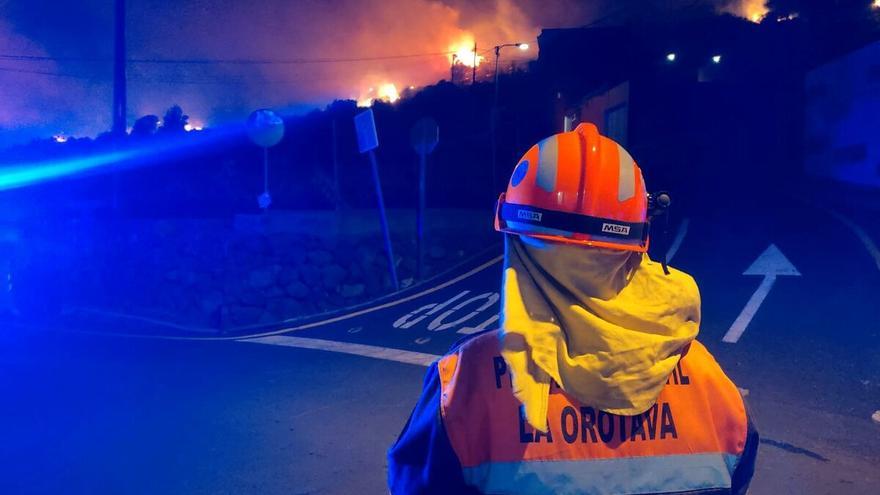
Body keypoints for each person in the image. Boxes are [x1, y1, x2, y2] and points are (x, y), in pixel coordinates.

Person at [387, 123, 758, 494]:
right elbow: (739, 469)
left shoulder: (466, 382)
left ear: (516, 240)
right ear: (638, 245)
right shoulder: (704, 377)